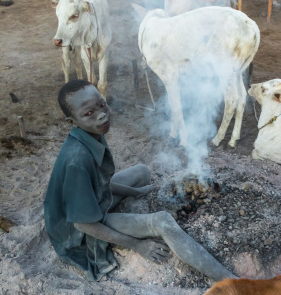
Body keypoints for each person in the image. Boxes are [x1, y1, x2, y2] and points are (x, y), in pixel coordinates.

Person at [44, 79, 234, 282]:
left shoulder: (91, 133)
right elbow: (84, 225)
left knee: (142, 172)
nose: (101, 114)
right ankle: (231, 280)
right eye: (88, 113)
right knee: (162, 221)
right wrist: (138, 245)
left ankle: (126, 200)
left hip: (95, 201)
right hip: (79, 228)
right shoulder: (78, 161)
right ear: (72, 122)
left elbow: (100, 182)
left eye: (102, 104)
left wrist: (135, 192)